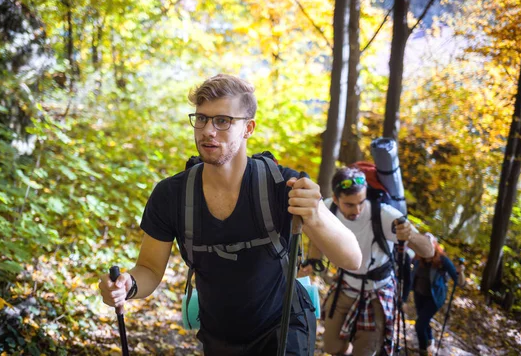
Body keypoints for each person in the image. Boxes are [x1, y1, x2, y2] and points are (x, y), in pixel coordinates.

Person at [98, 74, 362, 355]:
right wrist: (128, 285)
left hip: (284, 328)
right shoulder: (171, 195)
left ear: (248, 128)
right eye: (201, 119)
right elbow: (149, 269)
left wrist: (315, 216)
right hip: (219, 336)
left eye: (222, 121)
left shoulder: (282, 186)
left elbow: (351, 258)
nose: (208, 130)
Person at [303, 166, 435, 356]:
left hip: (377, 292)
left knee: (364, 352)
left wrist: (411, 236)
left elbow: (428, 251)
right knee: (332, 347)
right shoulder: (328, 209)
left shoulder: (384, 215)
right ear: (336, 197)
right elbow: (318, 235)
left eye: (361, 202)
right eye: (349, 204)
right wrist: (314, 260)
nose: (357, 210)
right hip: (345, 284)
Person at [405, 236, 465, 356]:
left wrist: (461, 271)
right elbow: (409, 272)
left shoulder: (442, 260)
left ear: (434, 246)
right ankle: (430, 341)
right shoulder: (417, 258)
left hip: (434, 297)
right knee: (423, 320)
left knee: (419, 326)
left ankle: (423, 351)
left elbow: (460, 282)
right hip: (419, 294)